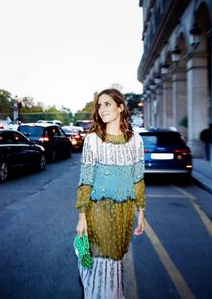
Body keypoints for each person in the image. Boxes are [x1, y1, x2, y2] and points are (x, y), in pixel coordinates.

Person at [75, 89, 145, 298]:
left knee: (116, 259)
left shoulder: (136, 141)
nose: (102, 109)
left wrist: (141, 211)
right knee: (103, 259)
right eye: (99, 105)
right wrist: (82, 216)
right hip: (98, 211)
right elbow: (85, 181)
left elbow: (138, 179)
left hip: (124, 212)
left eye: (107, 104)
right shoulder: (93, 140)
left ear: (120, 107)